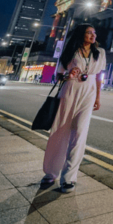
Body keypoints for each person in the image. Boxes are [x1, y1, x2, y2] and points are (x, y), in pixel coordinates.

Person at [41, 24, 105, 192]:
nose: (93, 35)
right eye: (89, 33)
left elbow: (98, 77)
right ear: (81, 35)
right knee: (60, 131)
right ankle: (51, 172)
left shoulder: (100, 53)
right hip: (69, 90)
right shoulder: (70, 51)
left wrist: (98, 97)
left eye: (94, 32)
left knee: (79, 133)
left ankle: (69, 178)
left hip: (88, 92)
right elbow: (59, 75)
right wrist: (68, 75)